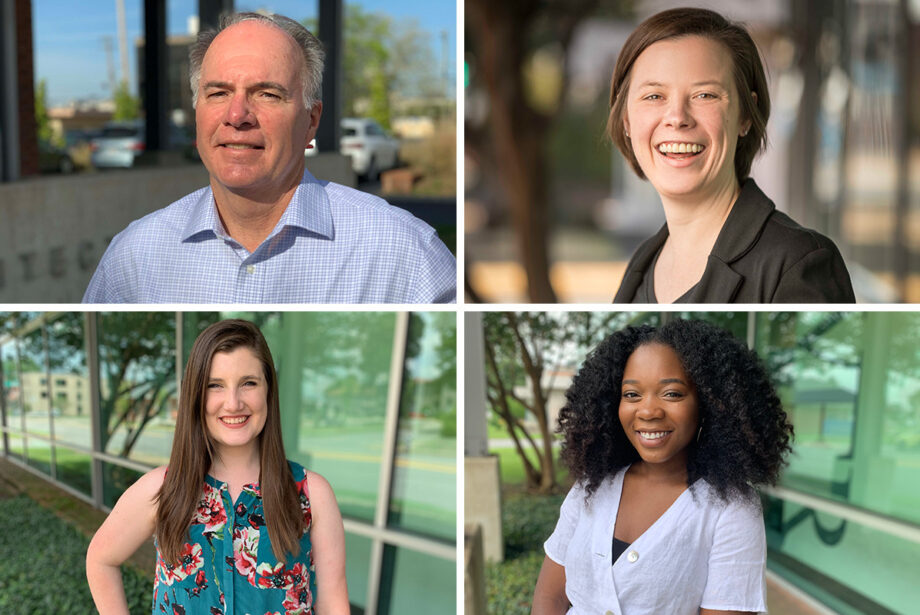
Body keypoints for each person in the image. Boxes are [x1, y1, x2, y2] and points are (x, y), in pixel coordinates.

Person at [82, 12, 456, 304]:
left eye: (267, 94)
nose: (237, 115)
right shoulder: (133, 256)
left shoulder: (404, 252)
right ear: (197, 114)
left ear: (311, 121)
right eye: (218, 93)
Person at [86, 319, 349, 614]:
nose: (233, 403)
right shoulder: (162, 488)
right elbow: (101, 559)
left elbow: (332, 602)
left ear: (268, 390)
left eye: (248, 383)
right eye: (215, 385)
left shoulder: (312, 493)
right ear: (197, 395)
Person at [532, 319, 794, 615]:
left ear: (708, 404)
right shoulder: (591, 486)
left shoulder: (731, 509)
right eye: (632, 394)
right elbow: (550, 598)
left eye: (672, 394)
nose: (648, 411)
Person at [608, 8, 855, 303]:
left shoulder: (799, 263)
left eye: (705, 95)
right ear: (626, 120)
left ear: (744, 116)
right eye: (654, 96)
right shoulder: (641, 266)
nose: (677, 118)